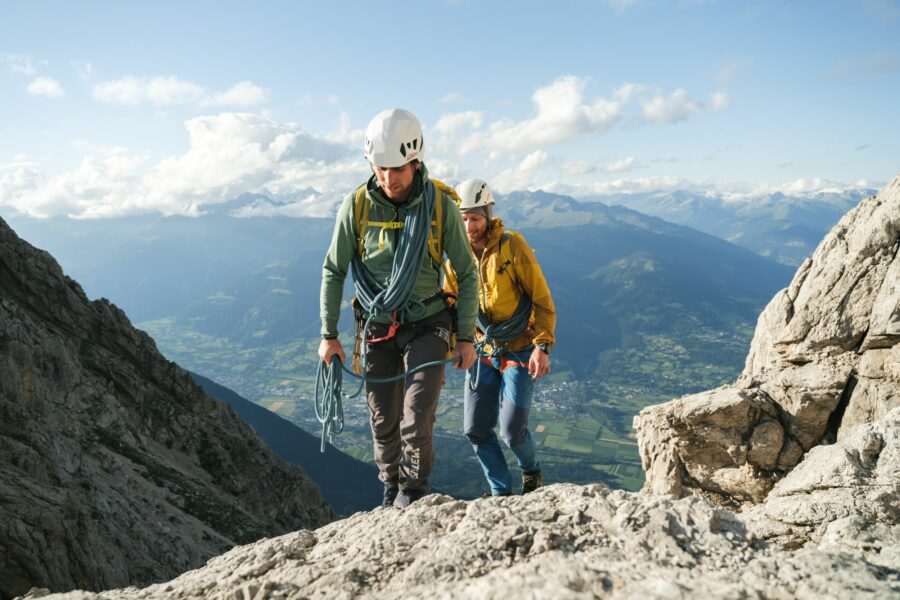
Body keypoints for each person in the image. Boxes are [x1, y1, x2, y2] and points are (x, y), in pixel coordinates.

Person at [319, 108, 478, 509]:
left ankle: (414, 489)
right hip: (377, 324)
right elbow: (334, 269)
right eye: (381, 168)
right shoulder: (356, 206)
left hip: (429, 323)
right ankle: (390, 484)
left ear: (416, 161)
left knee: (417, 413)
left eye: (398, 169)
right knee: (381, 418)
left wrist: (464, 337)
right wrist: (328, 335)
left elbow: (466, 272)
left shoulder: (440, 207)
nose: (389, 179)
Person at [445, 179, 556, 497]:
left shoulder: (512, 247)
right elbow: (451, 304)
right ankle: (500, 494)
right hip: (482, 350)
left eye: (475, 218)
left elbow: (542, 301)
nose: (469, 226)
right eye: (463, 219)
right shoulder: (456, 258)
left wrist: (542, 346)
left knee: (511, 431)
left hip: (520, 350)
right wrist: (454, 342)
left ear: (488, 216)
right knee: (476, 429)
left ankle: (531, 471)